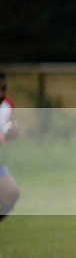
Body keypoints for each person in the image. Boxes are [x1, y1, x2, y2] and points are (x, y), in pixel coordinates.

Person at [0, 71, 21, 223]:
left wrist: (8, 132)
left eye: (4, 88)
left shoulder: (6, 106)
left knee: (11, 192)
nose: (1, 93)